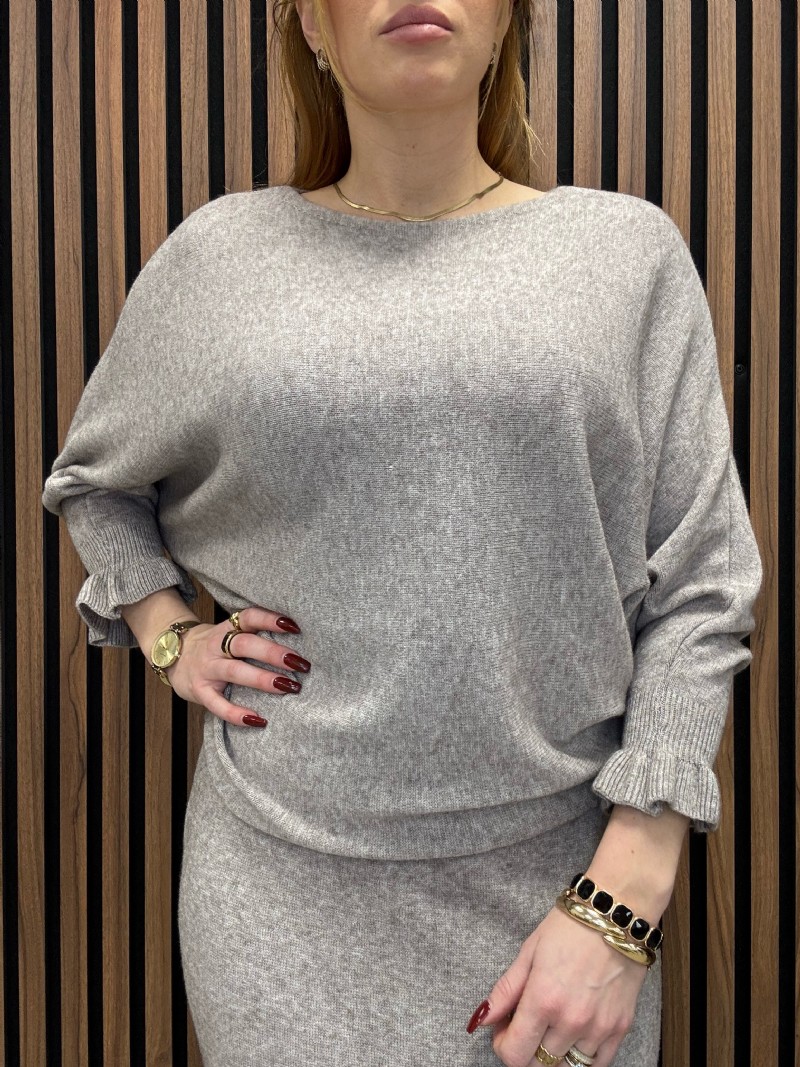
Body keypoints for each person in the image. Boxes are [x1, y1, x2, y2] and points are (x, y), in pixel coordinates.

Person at [41, 1, 763, 1064]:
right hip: (279, 891)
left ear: (506, 18)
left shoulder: (623, 254)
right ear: (311, 26)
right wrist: (167, 634)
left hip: (565, 893)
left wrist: (624, 894)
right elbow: (93, 482)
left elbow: (701, 582)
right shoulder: (220, 258)